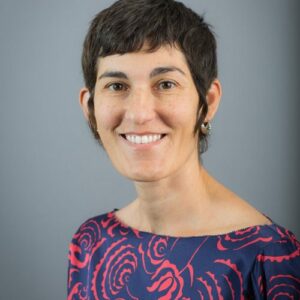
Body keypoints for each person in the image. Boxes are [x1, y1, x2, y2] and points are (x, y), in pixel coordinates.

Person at [67, 0, 300, 298]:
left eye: (165, 84)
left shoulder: (268, 257)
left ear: (208, 102)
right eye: (116, 86)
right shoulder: (90, 243)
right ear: (90, 107)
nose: (139, 113)